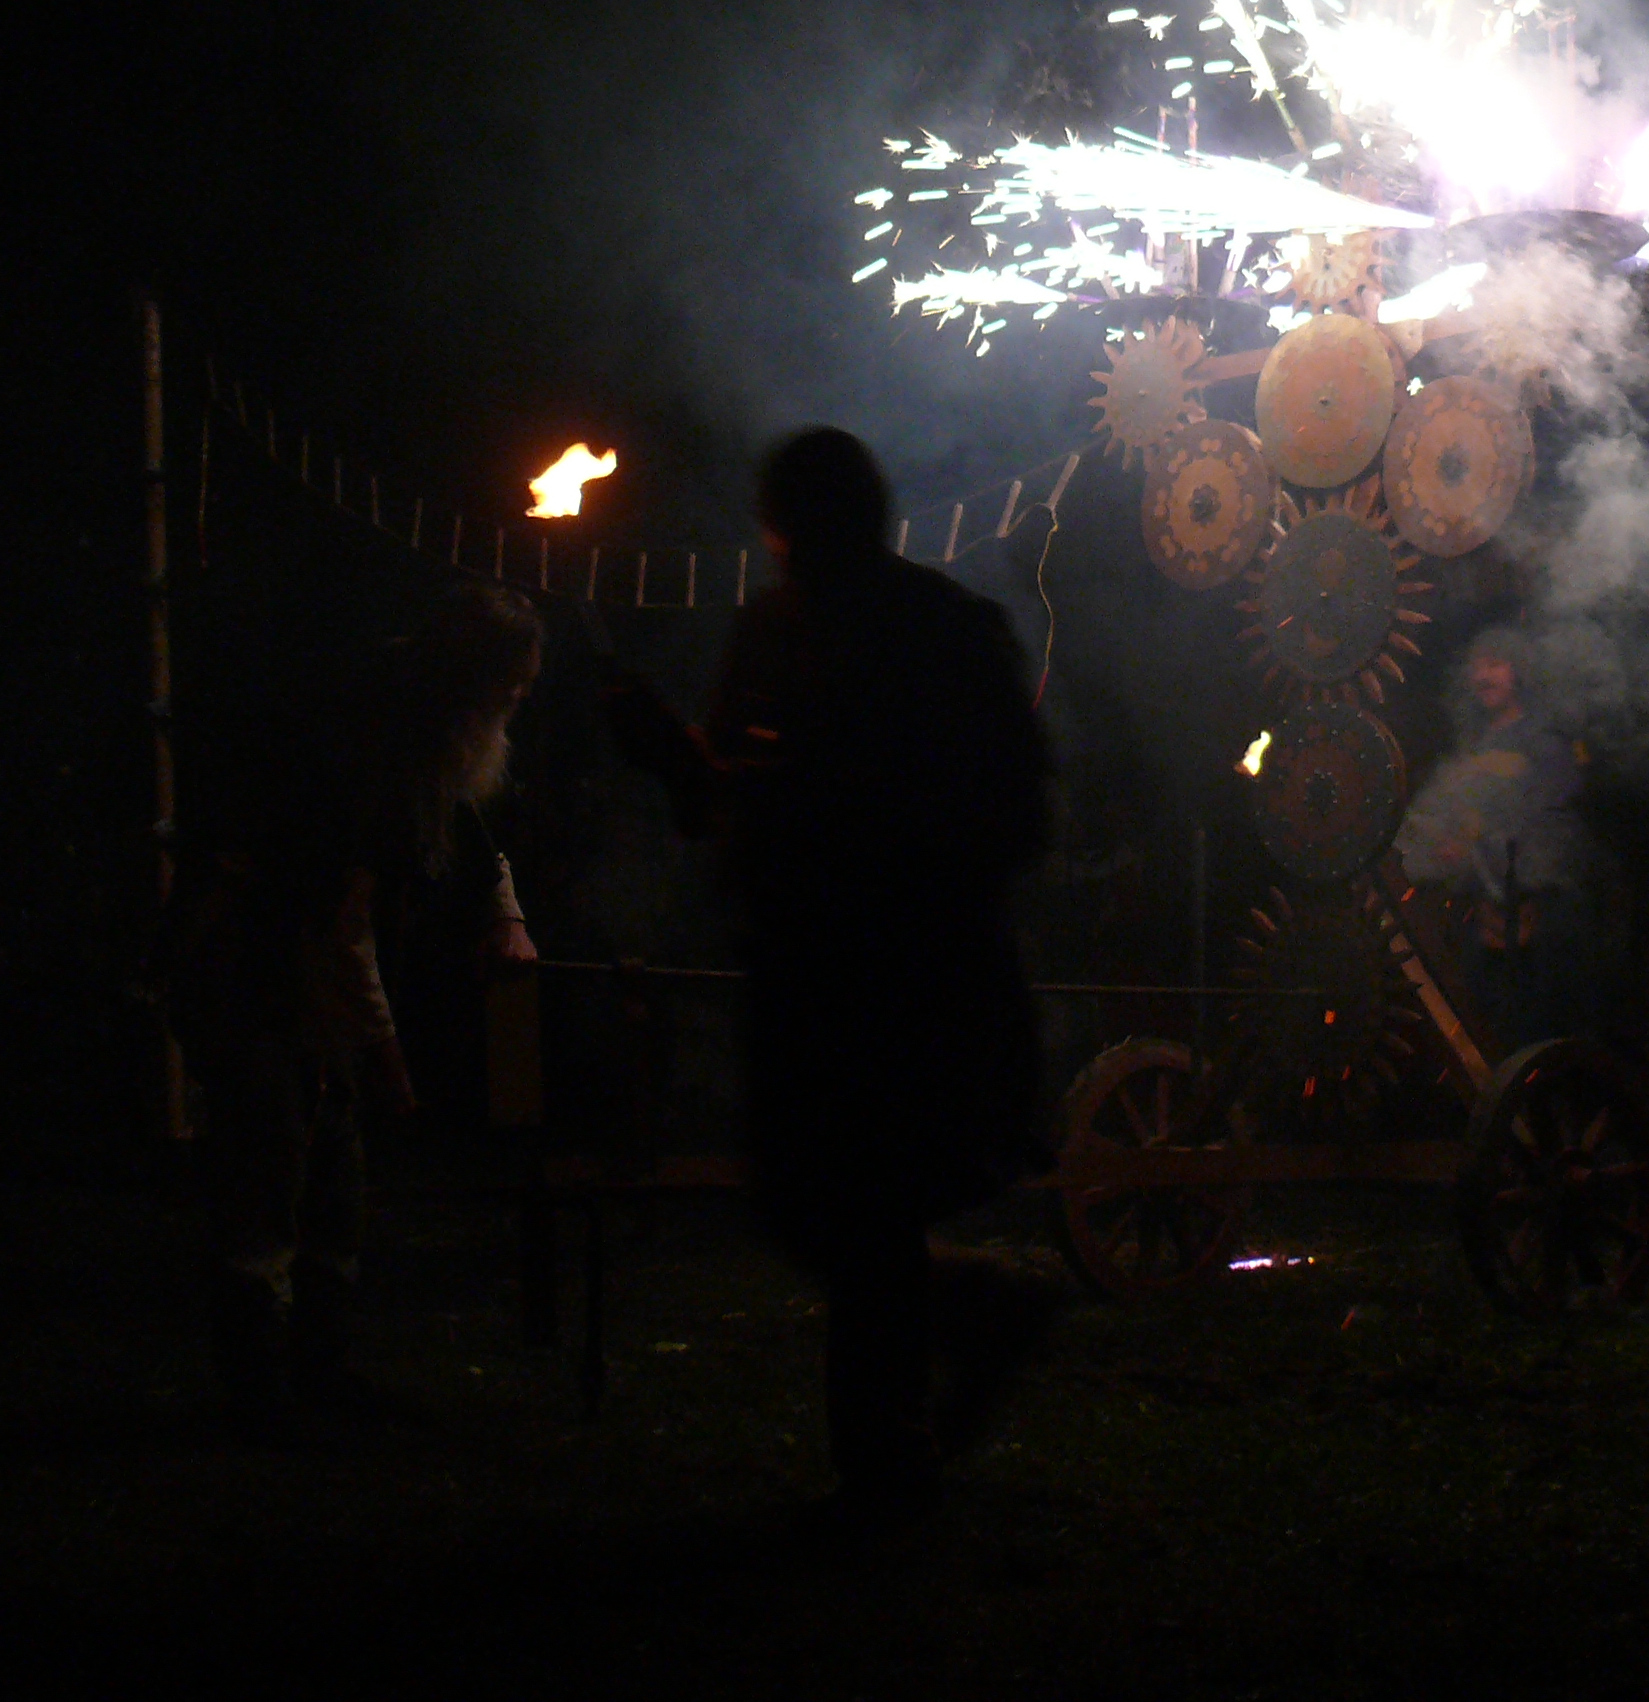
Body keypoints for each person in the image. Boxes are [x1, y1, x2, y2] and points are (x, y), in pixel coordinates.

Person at [608, 428, 1055, 1514]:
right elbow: (723, 794)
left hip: (906, 974)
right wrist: (675, 758)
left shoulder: (943, 632)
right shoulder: (772, 629)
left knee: (863, 1214)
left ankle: (885, 1461)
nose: (793, 549)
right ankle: (977, 1321)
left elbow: (1008, 811)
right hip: (805, 968)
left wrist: (848, 826)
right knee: (815, 1209)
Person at [163, 581, 545, 1433]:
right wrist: (386, 1056)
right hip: (256, 971)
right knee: (269, 1186)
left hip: (308, 972)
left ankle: (321, 1373)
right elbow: (335, 925)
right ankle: (261, 1395)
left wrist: (506, 914)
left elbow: (468, 828)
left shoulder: (427, 736)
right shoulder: (363, 746)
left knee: (335, 1186)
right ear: (468, 684)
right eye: (508, 690)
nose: (515, 706)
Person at [1393, 629, 1598, 1052]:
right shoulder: (1476, 744)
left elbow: (1551, 828)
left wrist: (1483, 856)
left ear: (1518, 671)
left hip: (1537, 918)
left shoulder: (1543, 742)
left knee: (1538, 1035)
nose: (1483, 676)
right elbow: (1452, 814)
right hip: (1481, 911)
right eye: (1477, 667)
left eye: (1495, 664)